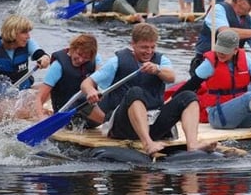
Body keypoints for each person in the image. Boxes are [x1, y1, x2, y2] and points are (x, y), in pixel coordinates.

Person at [80, 23, 216, 155]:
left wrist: (157, 70)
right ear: (133, 44)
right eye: (144, 47)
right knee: (135, 92)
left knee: (189, 96)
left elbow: (171, 77)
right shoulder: (117, 61)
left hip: (153, 121)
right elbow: (86, 83)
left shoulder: (161, 60)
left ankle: (192, 145)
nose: (149, 51)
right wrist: (91, 91)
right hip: (123, 126)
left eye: (152, 47)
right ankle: (148, 144)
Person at [190, 0, 251, 75]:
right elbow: (225, 33)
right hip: (206, 64)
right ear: (239, 1)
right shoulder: (218, 10)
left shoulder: (249, 21)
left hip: (232, 66)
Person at [35, 33, 103, 123]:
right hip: (68, 115)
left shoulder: (95, 58)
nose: (81, 60)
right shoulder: (58, 66)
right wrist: (41, 118)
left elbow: (101, 75)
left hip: (89, 113)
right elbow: (39, 98)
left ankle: (111, 122)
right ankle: (109, 123)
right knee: (81, 100)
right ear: (72, 48)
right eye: (79, 54)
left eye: (86, 58)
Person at [0, 15, 50, 90]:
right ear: (12, 33)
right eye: (24, 32)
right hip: (1, 96)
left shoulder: (28, 43)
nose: (28, 36)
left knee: (52, 88)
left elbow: (40, 54)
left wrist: (45, 58)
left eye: (28, 32)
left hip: (23, 91)